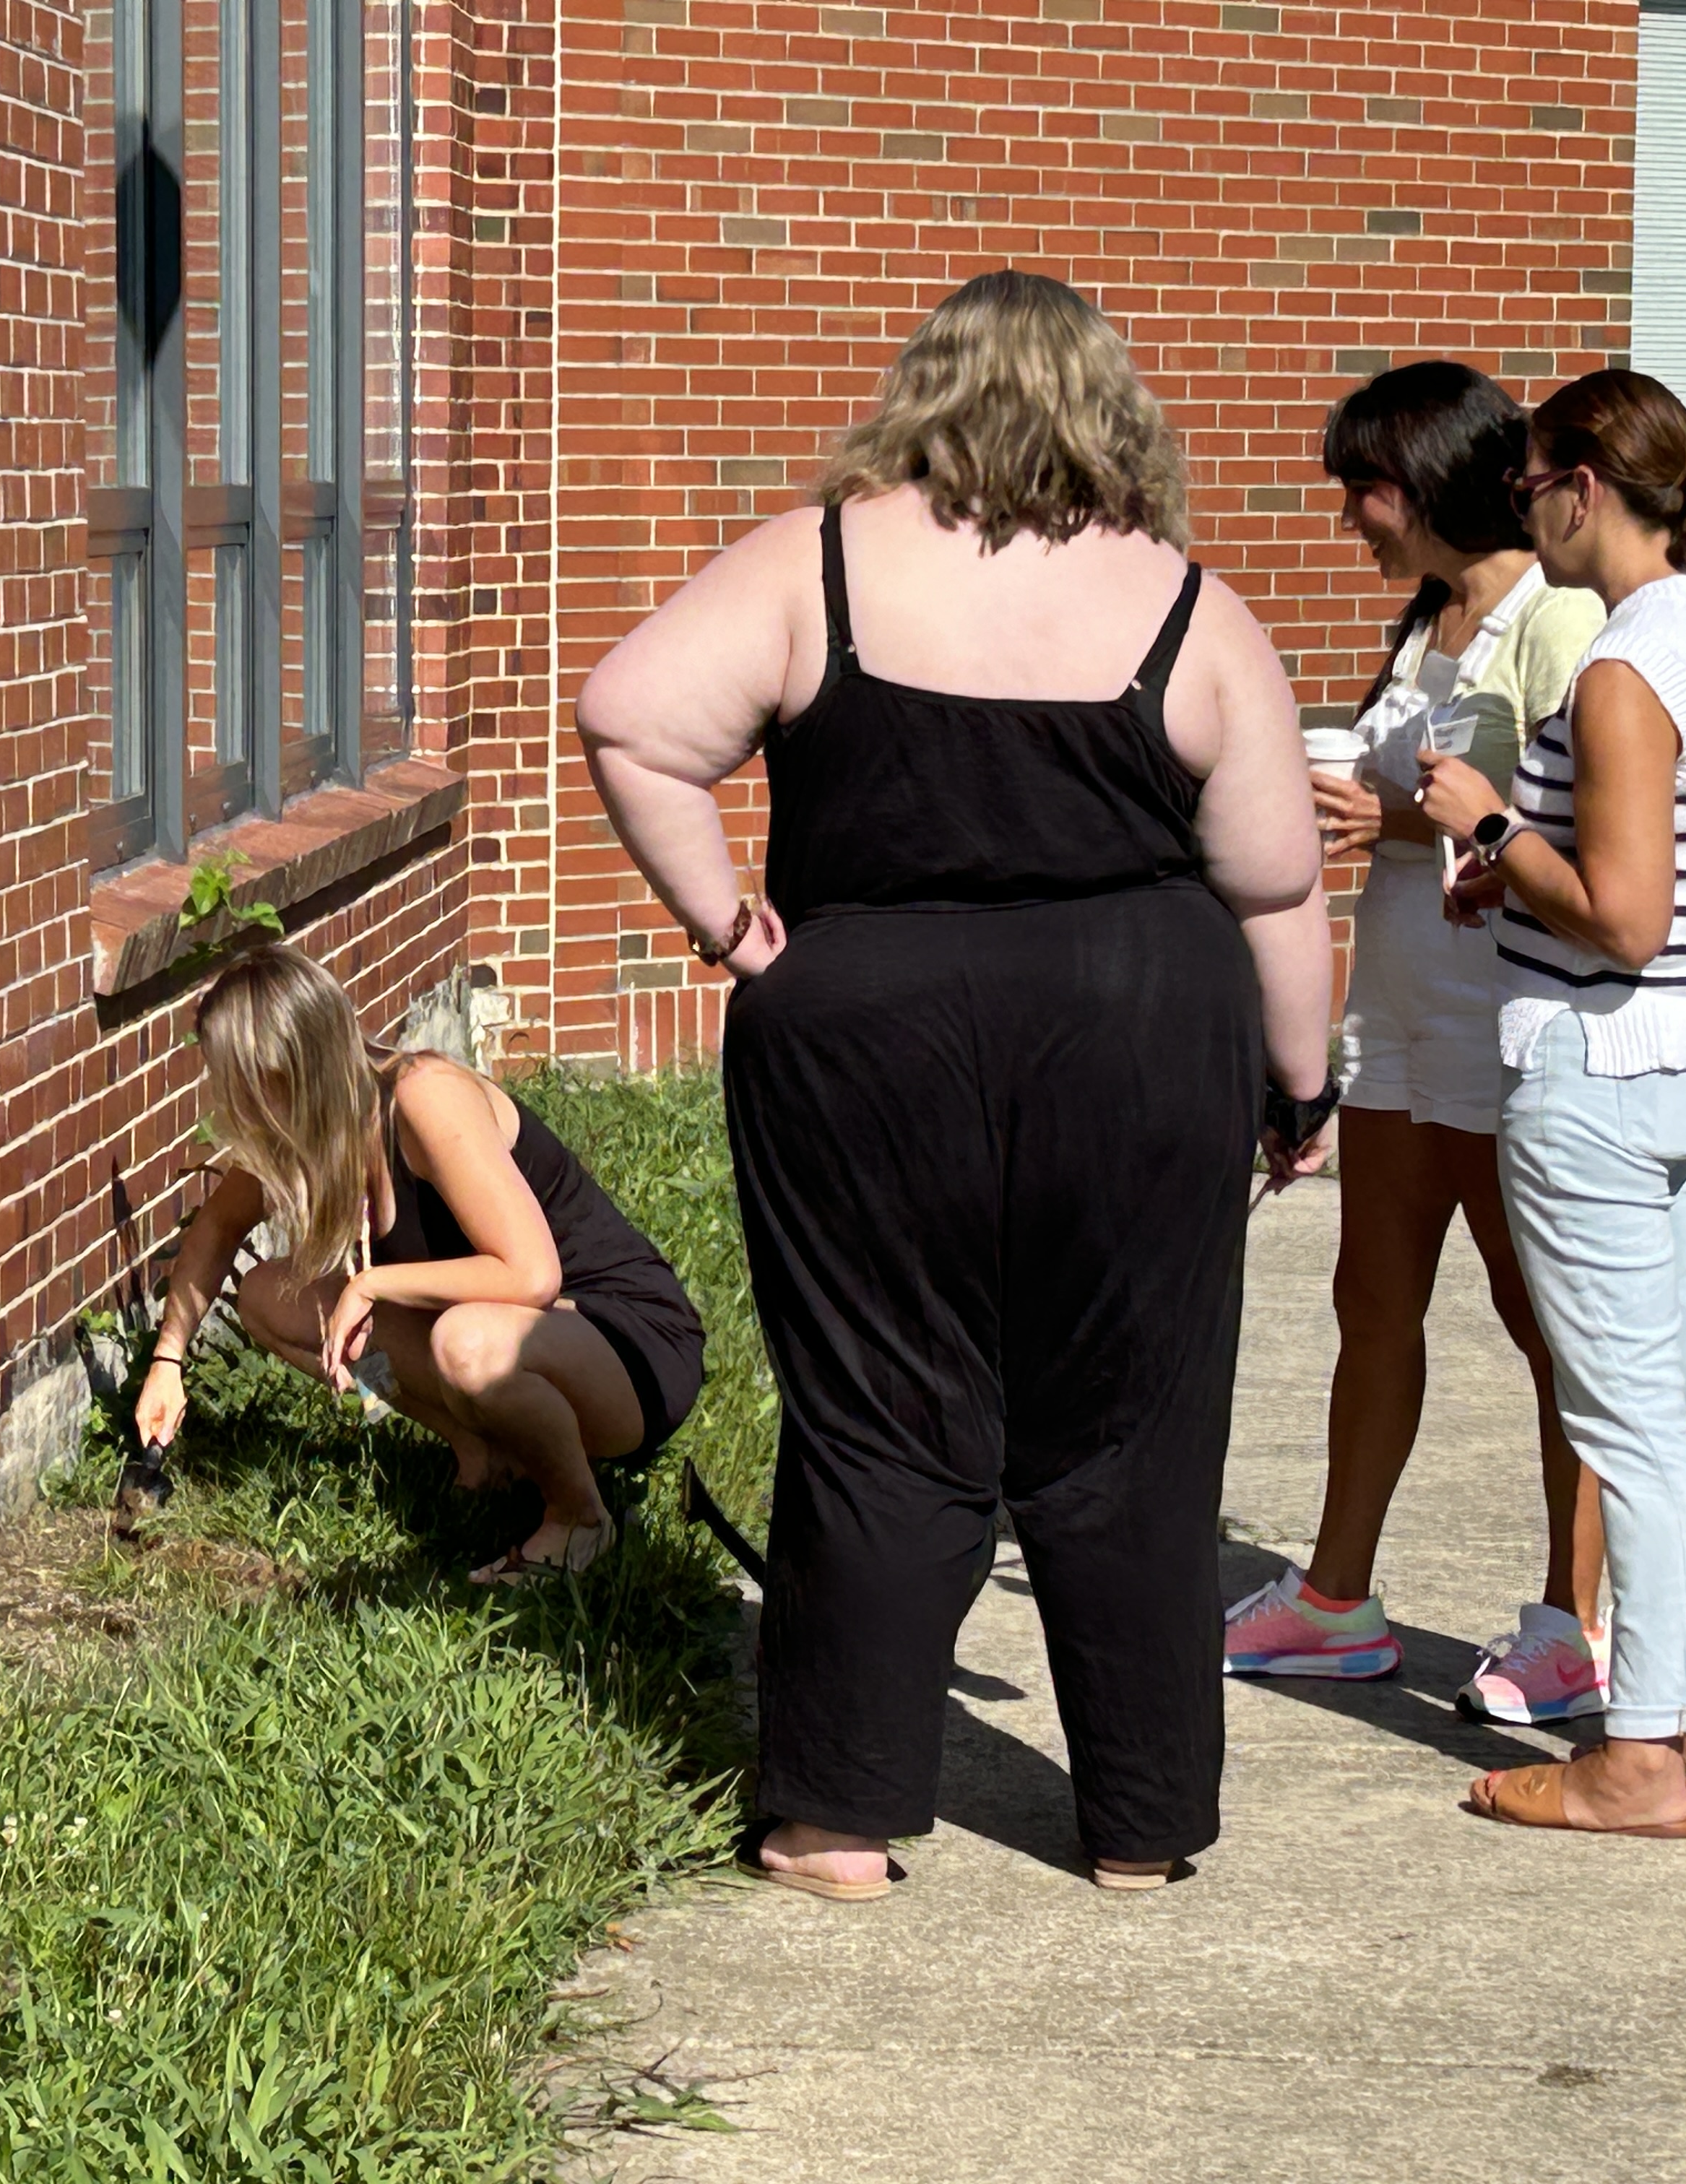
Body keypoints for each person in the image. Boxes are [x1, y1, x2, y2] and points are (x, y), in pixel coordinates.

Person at [577, 270, 1335, 1897]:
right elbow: (1275, 884)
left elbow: (630, 719)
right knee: (1133, 1429)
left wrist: (728, 923)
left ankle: (837, 1818)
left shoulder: (820, 562)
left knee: (874, 1408)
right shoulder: (1193, 607)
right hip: (1142, 1036)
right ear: (1109, 407)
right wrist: (1302, 1088)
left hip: (865, 1037)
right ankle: (1137, 1828)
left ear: (925, 393)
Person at [1413, 369, 1686, 1837]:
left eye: (1526, 487)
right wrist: (1517, 877)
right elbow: (1670, 883)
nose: (1523, 511)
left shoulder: (1628, 669)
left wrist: (1494, 824)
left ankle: (1638, 1756)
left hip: (1605, 1065)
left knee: (1629, 1417)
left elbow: (1629, 916)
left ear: (1583, 484)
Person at [1222, 362, 1612, 1724]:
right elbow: (1420, 800)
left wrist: (1392, 820)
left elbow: (1582, 830)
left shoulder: (1557, 618)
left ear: (1435, 477)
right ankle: (1335, 1599)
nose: (1351, 517)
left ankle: (1574, 1625)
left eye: (1364, 487)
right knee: (1368, 1305)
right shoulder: (1432, 617)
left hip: (1507, 1023)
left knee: (1544, 1324)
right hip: (1396, 1019)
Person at [130, 945, 707, 1583]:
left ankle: (581, 1519)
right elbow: (216, 1229)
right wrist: (167, 1362)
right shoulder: (316, 1123)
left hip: (628, 1346)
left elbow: (532, 1277)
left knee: (468, 1344)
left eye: (238, 1085)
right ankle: (481, 1451)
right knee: (269, 1294)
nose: (233, 1104)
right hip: (514, 1335)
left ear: (284, 1074)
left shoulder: (423, 1095)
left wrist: (376, 1282)